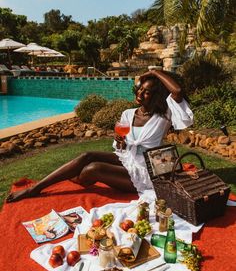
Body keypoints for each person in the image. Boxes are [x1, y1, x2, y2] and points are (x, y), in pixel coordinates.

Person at [6, 69, 193, 203]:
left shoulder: (164, 115)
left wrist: (155, 71)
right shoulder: (128, 114)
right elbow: (121, 148)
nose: (140, 94)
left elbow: (176, 91)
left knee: (91, 169)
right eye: (140, 89)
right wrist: (120, 142)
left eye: (147, 92)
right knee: (87, 156)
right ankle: (35, 188)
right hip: (127, 158)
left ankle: (74, 176)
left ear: (156, 96)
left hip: (146, 171)